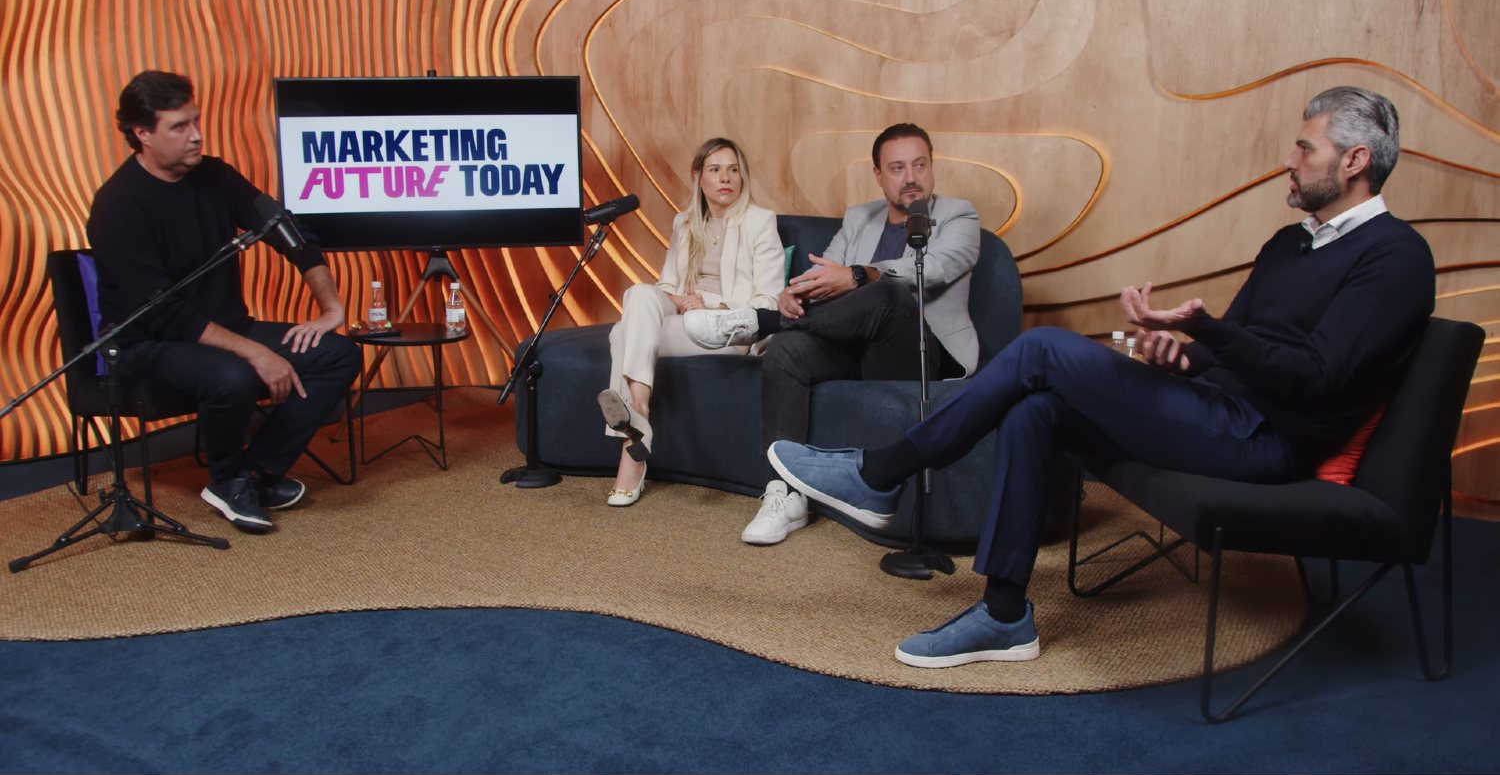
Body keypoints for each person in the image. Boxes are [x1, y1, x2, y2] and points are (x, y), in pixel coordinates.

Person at [767, 86, 1434, 667]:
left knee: (1041, 350)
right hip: (1213, 409)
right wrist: (1181, 353)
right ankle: (1004, 614)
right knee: (1038, 406)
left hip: (1265, 440)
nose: (1289, 159)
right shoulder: (1291, 243)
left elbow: (1315, 379)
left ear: (1354, 161)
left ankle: (881, 473)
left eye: (1305, 148)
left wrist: (1207, 331)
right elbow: (1240, 351)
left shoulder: (1396, 258)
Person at [87, 70, 361, 535]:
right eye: (179, 126)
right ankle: (227, 479)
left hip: (225, 327)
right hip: (147, 343)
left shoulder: (215, 176)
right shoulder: (117, 205)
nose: (196, 135)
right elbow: (162, 311)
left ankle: (256, 473)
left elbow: (288, 232)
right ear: (143, 133)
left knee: (338, 354)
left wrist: (331, 309)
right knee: (234, 374)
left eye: (195, 121)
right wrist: (256, 352)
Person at [687, 123, 980, 545]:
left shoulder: (958, 215)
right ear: (878, 174)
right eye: (897, 168)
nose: (910, 177)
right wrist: (795, 293)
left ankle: (757, 322)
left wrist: (859, 275)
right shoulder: (860, 218)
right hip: (856, 347)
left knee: (889, 292)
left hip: (922, 353)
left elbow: (934, 268)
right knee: (787, 349)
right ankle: (785, 494)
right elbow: (824, 270)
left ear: (931, 166)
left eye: (919, 165)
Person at [595, 138, 785, 506]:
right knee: (639, 294)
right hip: (685, 320)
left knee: (622, 335)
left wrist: (710, 304)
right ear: (698, 177)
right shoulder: (684, 223)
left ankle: (634, 436)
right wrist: (681, 301)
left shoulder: (761, 222)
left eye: (733, 170)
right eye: (715, 170)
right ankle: (639, 415)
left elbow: (769, 302)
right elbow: (666, 288)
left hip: (727, 330)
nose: (725, 178)